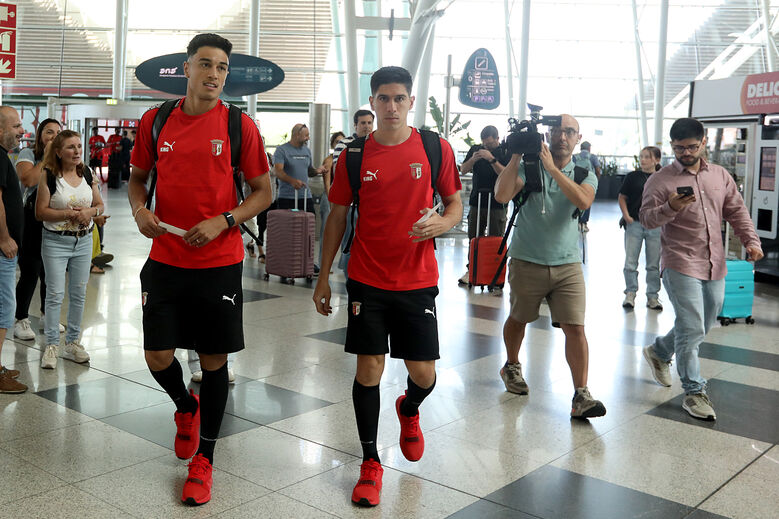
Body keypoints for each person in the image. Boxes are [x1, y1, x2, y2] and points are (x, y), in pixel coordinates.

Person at [128, 33, 271, 506]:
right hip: (166, 258)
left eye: (223, 67)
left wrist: (225, 220)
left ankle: (204, 459)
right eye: (206, 64)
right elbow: (137, 179)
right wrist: (140, 211)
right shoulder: (157, 120)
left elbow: (262, 191)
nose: (214, 74)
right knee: (157, 357)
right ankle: (184, 406)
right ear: (186, 69)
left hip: (219, 264)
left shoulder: (238, 126)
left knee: (213, 363)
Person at [313, 66, 463, 507]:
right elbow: (337, 217)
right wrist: (323, 277)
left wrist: (442, 222)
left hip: (417, 280)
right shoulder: (354, 157)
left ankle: (410, 408)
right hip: (367, 279)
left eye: (400, 98)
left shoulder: (435, 148)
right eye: (384, 98)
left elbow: (454, 204)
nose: (392, 106)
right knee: (369, 371)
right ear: (372, 103)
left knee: (423, 374)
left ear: (410, 102)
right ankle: (370, 462)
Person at [639, 117, 762, 421]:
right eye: (679, 148)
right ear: (672, 147)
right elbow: (646, 219)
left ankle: (659, 351)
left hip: (715, 262)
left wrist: (751, 240)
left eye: (692, 147)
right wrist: (671, 208)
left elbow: (736, 210)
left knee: (704, 324)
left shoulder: (720, 176)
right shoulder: (660, 180)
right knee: (692, 325)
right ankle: (694, 391)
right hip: (680, 261)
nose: (685, 153)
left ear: (704, 142)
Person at [494, 115, 606, 419]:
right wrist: (518, 153)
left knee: (575, 327)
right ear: (548, 134)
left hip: (567, 263)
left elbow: (583, 201)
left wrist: (554, 170)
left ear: (577, 137)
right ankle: (512, 365)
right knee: (519, 318)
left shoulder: (585, 171)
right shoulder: (529, 165)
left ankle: (581, 394)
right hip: (527, 258)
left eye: (569, 132)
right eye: (557, 131)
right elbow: (502, 195)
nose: (562, 137)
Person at [36, 130, 105, 370]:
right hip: (56, 241)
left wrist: (90, 213)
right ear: (58, 152)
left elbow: (99, 205)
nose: (76, 151)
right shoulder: (49, 175)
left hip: (83, 241)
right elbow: (41, 212)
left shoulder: (86, 172)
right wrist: (69, 214)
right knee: (54, 295)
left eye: (78, 146)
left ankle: (73, 343)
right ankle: (52, 345)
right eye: (70, 147)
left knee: (79, 294)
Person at [13, 118, 64, 341]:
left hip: (54, 219)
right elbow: (28, 179)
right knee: (31, 270)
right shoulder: (28, 154)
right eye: (48, 132)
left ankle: (46, 315)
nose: (53, 136)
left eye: (57, 133)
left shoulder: (63, 158)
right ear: (40, 135)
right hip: (30, 219)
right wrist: (47, 156)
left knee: (50, 271)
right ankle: (21, 318)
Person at [457, 125, 509, 285]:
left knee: (496, 239)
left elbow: (506, 174)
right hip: (476, 201)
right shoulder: (475, 149)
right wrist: (474, 158)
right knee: (473, 237)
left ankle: (495, 274)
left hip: (497, 203)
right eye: (485, 144)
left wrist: (491, 158)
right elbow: (463, 170)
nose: (487, 147)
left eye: (490, 144)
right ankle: (471, 269)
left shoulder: (504, 151)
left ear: (497, 140)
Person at [0, 106, 28, 393]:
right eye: (16, 126)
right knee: (3, 311)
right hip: (2, 250)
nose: (22, 130)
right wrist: (4, 238)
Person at [619, 146, 663, 310]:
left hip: (655, 225)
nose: (643, 160)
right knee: (630, 262)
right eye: (641, 156)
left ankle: (653, 297)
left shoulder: (662, 178)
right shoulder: (632, 177)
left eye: (647, 157)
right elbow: (622, 197)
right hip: (635, 224)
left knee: (653, 264)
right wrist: (626, 216)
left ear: (656, 160)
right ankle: (630, 293)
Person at [332, 109, 375, 277]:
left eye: (369, 123)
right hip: (351, 202)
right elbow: (339, 171)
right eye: (363, 123)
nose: (366, 127)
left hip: (370, 203)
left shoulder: (377, 142)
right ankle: (349, 272)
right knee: (350, 238)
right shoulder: (345, 144)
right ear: (355, 125)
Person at [318, 131, 345, 268]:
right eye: (337, 142)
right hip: (329, 199)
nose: (339, 145)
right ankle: (323, 265)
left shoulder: (346, 158)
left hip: (341, 201)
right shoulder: (329, 161)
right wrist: (331, 203)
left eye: (342, 142)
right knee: (327, 233)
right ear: (333, 144)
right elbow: (327, 185)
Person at [574, 141, 601, 232]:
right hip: (588, 182)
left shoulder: (575, 157)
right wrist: (596, 181)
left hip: (576, 182)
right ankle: (584, 223)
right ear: (589, 148)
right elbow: (598, 170)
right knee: (587, 201)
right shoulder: (592, 157)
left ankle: (576, 221)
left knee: (576, 200)